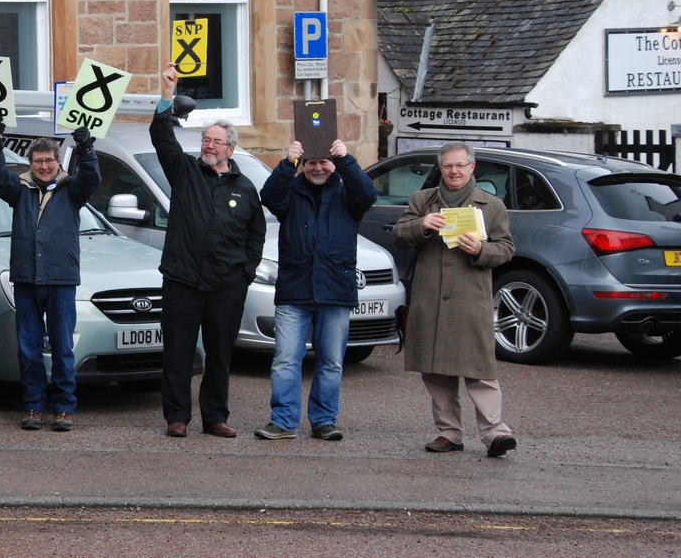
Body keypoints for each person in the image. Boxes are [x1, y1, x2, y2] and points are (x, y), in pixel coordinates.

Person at [151, 64, 266, 438]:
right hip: (183, 280)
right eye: (205, 139)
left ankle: (215, 416)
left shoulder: (245, 187)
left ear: (230, 148)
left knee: (219, 354)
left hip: (226, 286)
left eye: (216, 141)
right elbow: (161, 136)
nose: (208, 145)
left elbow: (256, 234)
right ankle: (177, 417)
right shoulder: (184, 171)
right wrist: (167, 95)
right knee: (179, 353)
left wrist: (244, 274)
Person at [391, 141, 518, 458]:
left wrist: (481, 250)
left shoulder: (491, 205)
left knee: (479, 369)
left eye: (460, 165)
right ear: (441, 169)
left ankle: (495, 433)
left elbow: (506, 250)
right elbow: (398, 235)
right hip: (430, 297)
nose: (454, 171)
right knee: (435, 370)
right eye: (448, 166)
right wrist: (420, 226)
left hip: (469, 299)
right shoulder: (423, 201)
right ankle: (449, 433)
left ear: (472, 167)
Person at [254, 138, 377, 441]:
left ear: (333, 165)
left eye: (324, 162)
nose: (318, 167)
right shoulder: (291, 192)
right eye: (311, 162)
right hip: (295, 290)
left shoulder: (348, 193)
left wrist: (347, 160)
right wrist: (287, 163)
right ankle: (283, 421)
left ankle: (324, 420)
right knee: (286, 359)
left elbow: (368, 194)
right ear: (304, 166)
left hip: (335, 290)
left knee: (331, 362)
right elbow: (268, 196)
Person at [0, 120, 100, 432]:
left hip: (61, 279)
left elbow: (91, 177)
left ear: (58, 162)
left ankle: (64, 407)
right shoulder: (19, 190)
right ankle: (34, 405)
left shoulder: (71, 190)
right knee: (29, 347)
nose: (45, 166)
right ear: (30, 164)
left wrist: (87, 148)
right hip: (26, 279)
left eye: (50, 160)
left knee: (63, 347)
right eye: (38, 161)